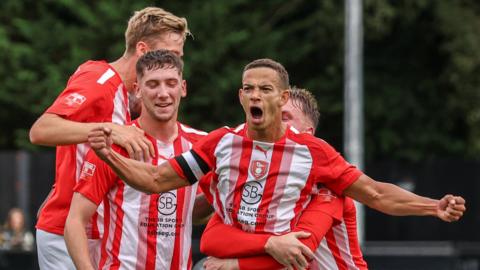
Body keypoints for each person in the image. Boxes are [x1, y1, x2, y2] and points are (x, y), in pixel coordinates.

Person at [88, 58, 466, 270]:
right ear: (240, 97)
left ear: (282, 96)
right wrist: (107, 155)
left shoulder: (313, 155)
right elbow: (156, 180)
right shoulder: (220, 144)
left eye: (266, 89)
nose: (256, 95)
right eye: (249, 88)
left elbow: (374, 194)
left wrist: (432, 206)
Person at [29, 7, 191, 270]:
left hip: (101, 233)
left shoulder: (134, 98)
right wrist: (110, 129)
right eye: (170, 54)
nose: (176, 63)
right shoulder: (100, 80)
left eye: (179, 57)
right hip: (66, 230)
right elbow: (41, 130)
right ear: (142, 50)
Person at [64, 50, 206, 270]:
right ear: (138, 90)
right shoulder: (115, 144)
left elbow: (197, 214)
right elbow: (75, 221)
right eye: (153, 85)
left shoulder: (201, 144)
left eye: (171, 83)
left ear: (183, 88)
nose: (163, 93)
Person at [200, 87, 367, 270]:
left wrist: (235, 264)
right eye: (271, 113)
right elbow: (211, 238)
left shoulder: (327, 186)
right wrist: (270, 243)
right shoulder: (266, 188)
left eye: (285, 117)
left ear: (308, 134)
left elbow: (298, 254)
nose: (274, 122)